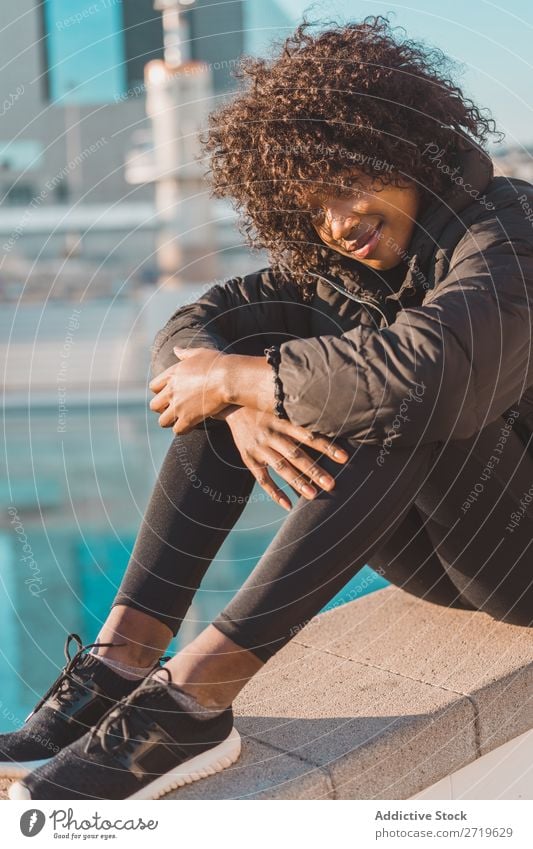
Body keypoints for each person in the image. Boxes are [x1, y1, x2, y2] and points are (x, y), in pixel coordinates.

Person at [5, 16, 533, 800]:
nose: (338, 223)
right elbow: (194, 332)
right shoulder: (336, 271)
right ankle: (119, 663)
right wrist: (236, 393)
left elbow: (439, 370)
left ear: (401, 145)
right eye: (311, 207)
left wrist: (253, 378)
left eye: (349, 183)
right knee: (250, 382)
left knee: (382, 391)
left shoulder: (507, 229)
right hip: (448, 561)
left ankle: (195, 697)